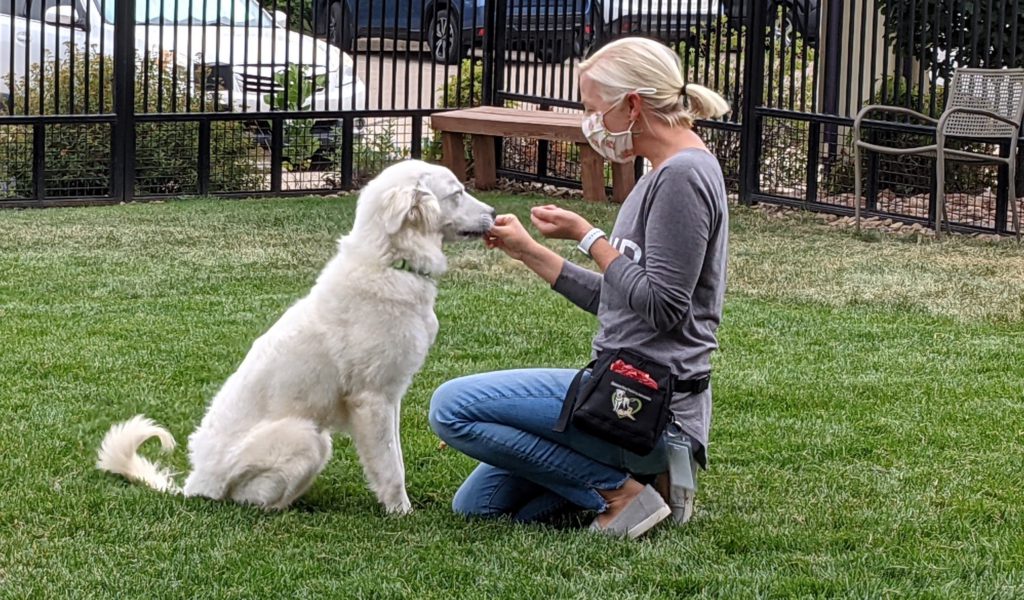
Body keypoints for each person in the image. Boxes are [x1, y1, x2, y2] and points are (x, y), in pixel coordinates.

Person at [428, 36, 731, 539]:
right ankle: (645, 482)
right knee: (478, 506)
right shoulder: (661, 172)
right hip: (617, 386)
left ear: (632, 105)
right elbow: (619, 295)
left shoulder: (684, 178)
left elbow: (662, 307)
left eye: (594, 109)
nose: (590, 124)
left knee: (452, 407)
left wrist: (587, 236)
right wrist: (527, 249)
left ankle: (622, 492)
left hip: (648, 403)